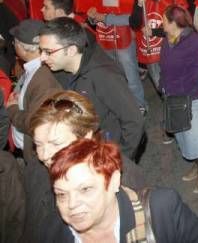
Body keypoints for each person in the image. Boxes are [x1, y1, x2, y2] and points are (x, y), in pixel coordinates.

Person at [23, 91, 146, 243]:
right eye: (38, 145)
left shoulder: (126, 178)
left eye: (56, 143)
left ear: (86, 137)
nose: (44, 155)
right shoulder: (35, 171)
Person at [47, 138, 198, 242]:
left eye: (85, 189)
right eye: (61, 194)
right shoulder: (50, 233)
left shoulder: (160, 208)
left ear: (114, 182)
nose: (71, 204)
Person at [38, 17, 144, 159]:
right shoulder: (61, 72)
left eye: (48, 52)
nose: (42, 58)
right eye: (41, 51)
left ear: (71, 50)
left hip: (105, 158)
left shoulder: (104, 76)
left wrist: (116, 161)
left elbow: (134, 122)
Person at [159, 5, 198, 193]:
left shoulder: (195, 42)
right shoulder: (168, 40)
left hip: (190, 98)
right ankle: (196, 166)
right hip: (173, 97)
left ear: (174, 23)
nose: (161, 23)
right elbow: (164, 66)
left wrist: (185, 91)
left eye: (164, 20)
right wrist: (162, 84)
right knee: (184, 137)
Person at [6, 19, 61, 162]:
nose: (12, 45)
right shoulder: (33, 69)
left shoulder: (44, 79)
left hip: (34, 157)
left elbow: (35, 123)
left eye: (15, 42)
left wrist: (12, 109)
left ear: (23, 48)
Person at [129, 0, 188, 91]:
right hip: (153, 53)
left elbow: (182, 26)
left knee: (177, 86)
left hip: (173, 49)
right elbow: (134, 24)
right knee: (162, 88)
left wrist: (154, 31)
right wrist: (139, 5)